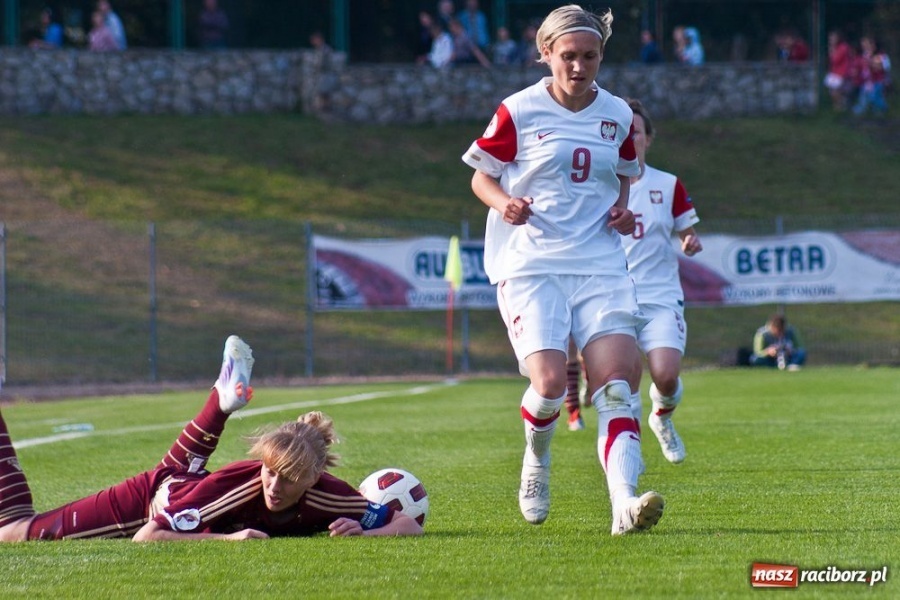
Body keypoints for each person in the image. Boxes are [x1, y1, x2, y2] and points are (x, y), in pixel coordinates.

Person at [461, 4, 664, 536]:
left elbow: (624, 174)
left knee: (617, 384)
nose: (579, 66)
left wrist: (621, 211)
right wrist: (504, 202)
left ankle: (624, 503)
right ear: (546, 53)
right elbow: (481, 176)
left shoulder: (616, 114)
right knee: (550, 384)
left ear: (601, 56)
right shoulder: (519, 110)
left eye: (589, 56)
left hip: (599, 264)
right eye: (568, 56)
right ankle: (537, 460)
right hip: (532, 265)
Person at [0, 336, 423, 541]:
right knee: (14, 531)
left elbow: (407, 525)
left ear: (313, 479)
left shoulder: (331, 495)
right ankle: (220, 401)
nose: (274, 485)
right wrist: (227, 539)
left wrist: (365, 533)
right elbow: (149, 536)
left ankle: (220, 401)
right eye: (270, 471)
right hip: (152, 499)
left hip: (187, 478)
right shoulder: (238, 488)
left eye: (289, 478)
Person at [621, 98, 702, 465]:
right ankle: (628, 458)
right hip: (615, 295)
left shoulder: (668, 185)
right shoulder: (600, 185)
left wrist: (690, 242)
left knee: (666, 376)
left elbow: (688, 232)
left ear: (648, 139)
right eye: (623, 132)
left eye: (636, 132)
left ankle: (662, 417)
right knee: (624, 381)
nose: (629, 138)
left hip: (660, 296)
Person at [852, 36, 891, 117]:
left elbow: (881, 68)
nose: (866, 47)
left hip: (877, 80)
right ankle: (862, 109)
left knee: (874, 96)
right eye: (863, 45)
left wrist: (871, 63)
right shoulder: (864, 56)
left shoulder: (880, 56)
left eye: (868, 45)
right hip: (867, 81)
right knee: (864, 96)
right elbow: (860, 67)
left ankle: (883, 108)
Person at [824, 30, 853, 111]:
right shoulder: (836, 48)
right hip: (835, 72)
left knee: (836, 91)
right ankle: (838, 106)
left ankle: (840, 106)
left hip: (841, 73)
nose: (831, 40)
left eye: (833, 38)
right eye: (830, 38)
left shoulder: (843, 47)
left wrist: (832, 50)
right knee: (832, 91)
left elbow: (835, 60)